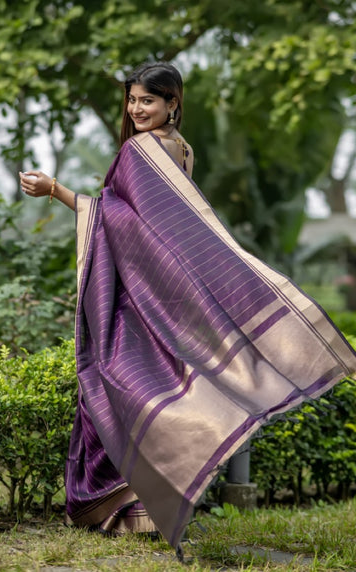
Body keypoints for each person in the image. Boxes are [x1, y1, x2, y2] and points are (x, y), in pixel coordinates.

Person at [19, 61, 356, 556]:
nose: (136, 109)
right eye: (132, 100)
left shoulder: (143, 150)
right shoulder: (180, 149)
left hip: (137, 297)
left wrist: (57, 191)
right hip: (158, 295)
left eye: (147, 101)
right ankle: (145, 507)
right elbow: (157, 229)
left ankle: (123, 510)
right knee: (160, 388)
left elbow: (128, 225)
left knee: (114, 385)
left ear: (172, 102)